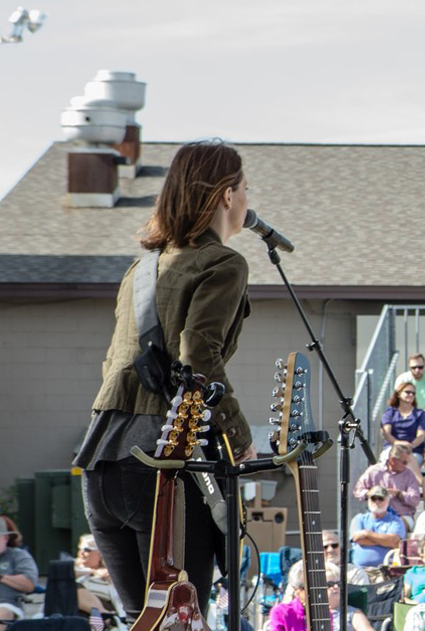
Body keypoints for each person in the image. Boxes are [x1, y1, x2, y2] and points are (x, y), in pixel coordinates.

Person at [74, 140, 258, 621]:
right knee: (183, 619)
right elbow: (200, 359)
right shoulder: (223, 263)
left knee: (142, 620)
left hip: (101, 461)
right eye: (244, 188)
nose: (247, 200)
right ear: (224, 195)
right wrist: (240, 439)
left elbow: (115, 364)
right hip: (165, 462)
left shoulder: (141, 269)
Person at [357, 443, 425, 521]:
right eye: (404, 462)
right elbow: (358, 490)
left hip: (401, 515)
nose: (406, 465)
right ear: (393, 460)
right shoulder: (374, 471)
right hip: (376, 514)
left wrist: (398, 493)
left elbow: (415, 499)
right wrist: (373, 493)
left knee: (399, 526)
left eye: (407, 462)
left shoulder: (409, 474)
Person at [351, 486, 407, 569]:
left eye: (380, 498)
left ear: (387, 501)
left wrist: (367, 533)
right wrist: (384, 542)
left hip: (385, 570)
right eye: (373, 498)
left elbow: (393, 541)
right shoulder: (359, 519)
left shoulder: (395, 520)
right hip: (359, 569)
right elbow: (357, 539)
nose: (377, 502)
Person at [383, 381, 425, 453]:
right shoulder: (390, 412)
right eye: (407, 392)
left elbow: (421, 435)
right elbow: (386, 433)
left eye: (413, 393)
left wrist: (411, 445)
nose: (411, 395)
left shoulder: (420, 414)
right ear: (398, 394)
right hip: (392, 448)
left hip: (413, 450)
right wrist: (397, 443)